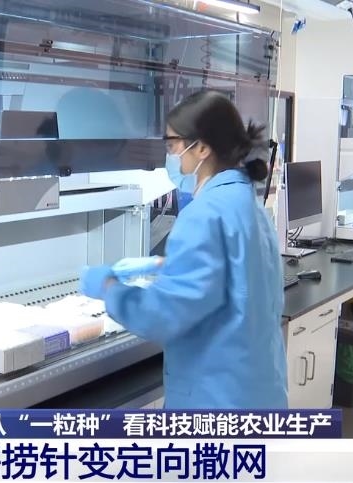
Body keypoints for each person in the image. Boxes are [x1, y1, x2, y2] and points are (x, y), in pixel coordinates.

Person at [79, 89, 288, 409]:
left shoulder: (203, 214)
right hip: (258, 392)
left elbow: (161, 315)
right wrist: (169, 265)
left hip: (216, 403)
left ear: (201, 148)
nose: (172, 153)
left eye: (173, 144)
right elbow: (242, 276)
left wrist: (109, 289)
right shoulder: (247, 203)